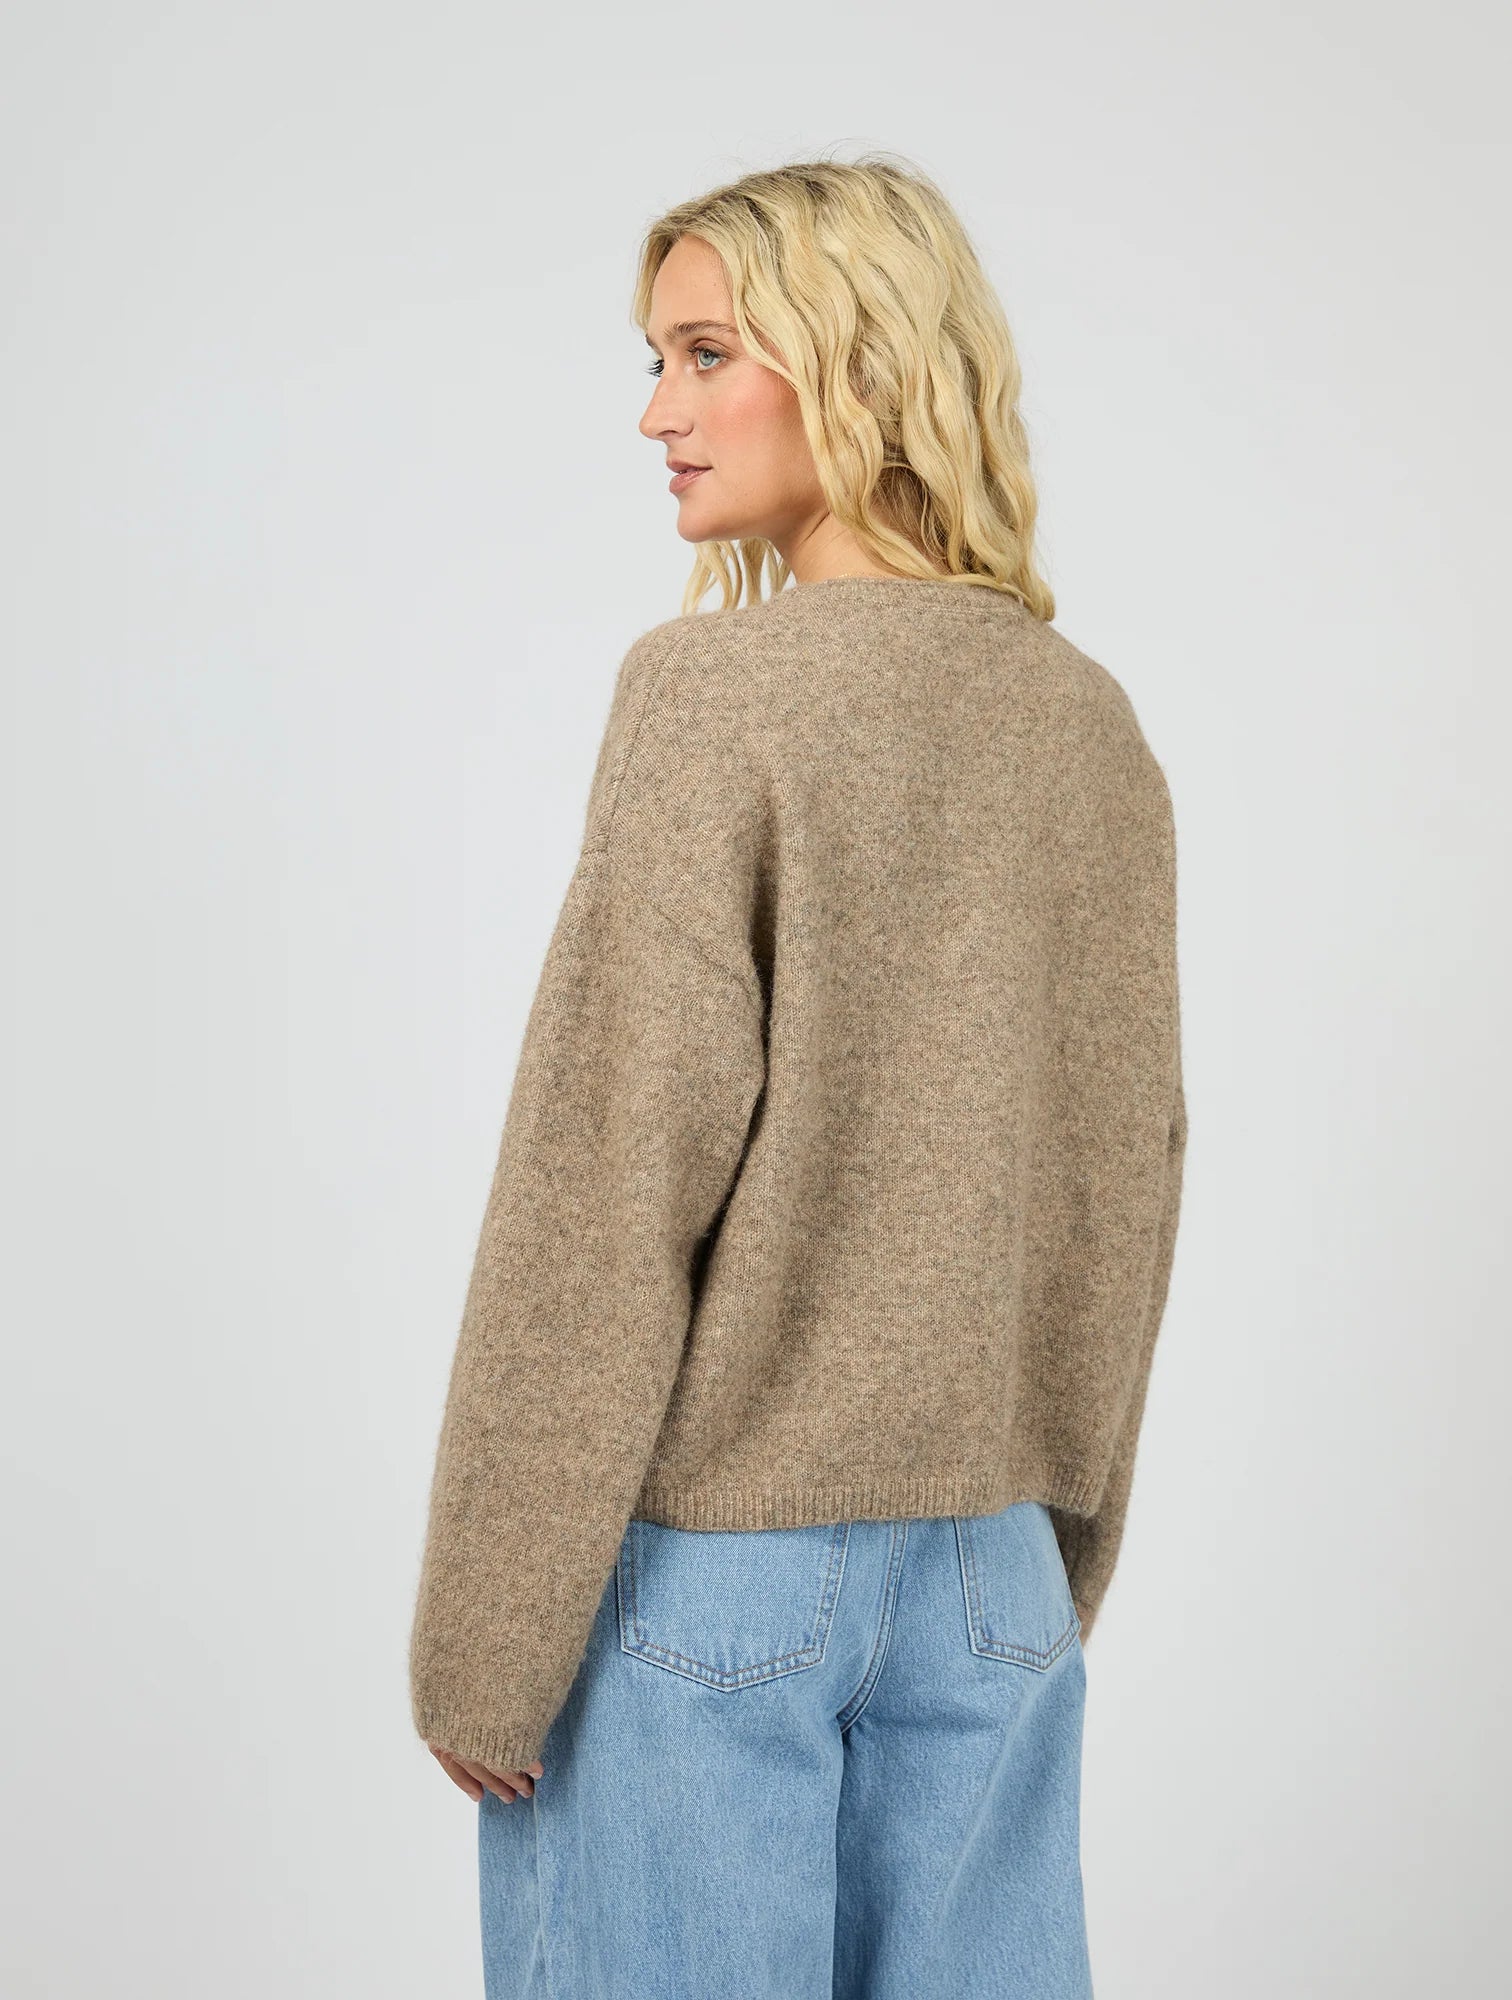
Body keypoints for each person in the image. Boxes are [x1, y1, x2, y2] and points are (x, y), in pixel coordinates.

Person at [408, 153, 1188, 2000]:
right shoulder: (1088, 725)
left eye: (703, 355)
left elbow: (608, 1175)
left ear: (858, 362)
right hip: (992, 1571)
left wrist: (485, 1636)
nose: (657, 414)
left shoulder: (715, 699)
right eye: (656, 362)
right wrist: (1056, 1554)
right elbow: (1124, 1174)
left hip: (721, 1582)